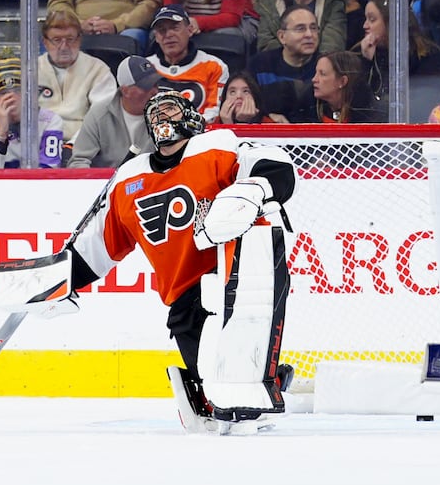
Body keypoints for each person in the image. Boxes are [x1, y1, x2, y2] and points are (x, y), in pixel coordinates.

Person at [63, 90, 297, 433]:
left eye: (169, 109)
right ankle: (271, 379)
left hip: (238, 271)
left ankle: (261, 381)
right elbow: (97, 248)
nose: (160, 118)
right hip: (184, 289)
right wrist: (58, 278)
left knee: (235, 376)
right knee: (209, 381)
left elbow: (275, 165)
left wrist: (254, 189)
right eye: (153, 114)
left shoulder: (217, 145)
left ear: (190, 116)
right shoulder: (130, 178)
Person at [0, 51, 65, 169]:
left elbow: (49, 170)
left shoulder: (50, 120)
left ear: (29, 94)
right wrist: (1, 135)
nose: (11, 98)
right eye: (3, 93)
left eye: (18, 91)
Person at [353, 0, 440, 111]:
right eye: (366, 19)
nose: (365, 25)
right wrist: (366, 61)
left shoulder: (428, 55)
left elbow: (422, 101)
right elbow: (359, 103)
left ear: (391, 22)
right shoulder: (362, 52)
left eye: (372, 19)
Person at [67, 55, 161, 168]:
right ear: (125, 90)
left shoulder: (166, 113)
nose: (155, 91)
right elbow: (79, 161)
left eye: (156, 84)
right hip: (107, 182)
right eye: (146, 86)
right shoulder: (99, 114)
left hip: (153, 181)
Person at [38, 10, 117, 142]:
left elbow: (102, 118)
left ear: (79, 39)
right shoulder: (31, 70)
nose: (64, 47)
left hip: (83, 144)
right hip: (38, 144)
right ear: (45, 42)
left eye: (70, 39)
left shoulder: (98, 70)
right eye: (56, 40)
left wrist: (73, 145)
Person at [146, 4, 229, 122]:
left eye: (175, 28)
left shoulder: (215, 66)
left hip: (198, 137)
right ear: (156, 37)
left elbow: (213, 115)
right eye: (162, 30)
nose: (168, 35)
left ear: (190, 30)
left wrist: (181, 128)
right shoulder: (145, 67)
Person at [247, 5, 321, 123]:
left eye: (313, 28)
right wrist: (266, 117)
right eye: (300, 29)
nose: (309, 34)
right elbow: (248, 106)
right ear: (282, 37)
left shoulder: (325, 67)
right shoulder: (259, 65)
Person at [47, 0, 162, 53]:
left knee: (132, 36)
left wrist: (116, 25)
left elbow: (150, 3)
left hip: (125, 29)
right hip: (77, 29)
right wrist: (78, 25)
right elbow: (58, 3)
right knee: (55, 37)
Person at [253, 0, 347, 54]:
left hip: (319, 70)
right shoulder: (268, 4)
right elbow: (265, 45)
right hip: (279, 69)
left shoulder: (333, 2)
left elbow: (333, 45)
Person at [162, 0, 260, 47]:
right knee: (161, 33)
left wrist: (198, 23)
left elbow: (232, 17)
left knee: (227, 35)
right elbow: (171, 12)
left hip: (237, 22)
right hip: (188, 24)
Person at [312, 49, 386, 122]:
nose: (314, 79)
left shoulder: (372, 116)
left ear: (342, 81)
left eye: (323, 74)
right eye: (316, 73)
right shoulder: (307, 110)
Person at [211, 71, 278, 123]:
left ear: (254, 97)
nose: (239, 96)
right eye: (232, 92)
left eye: (246, 91)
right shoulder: (215, 125)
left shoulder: (268, 124)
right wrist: (227, 125)